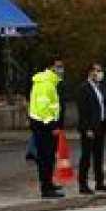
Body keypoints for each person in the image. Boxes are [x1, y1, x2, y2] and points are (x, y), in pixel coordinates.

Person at [29, 58, 66, 198]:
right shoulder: (46, 84)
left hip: (44, 125)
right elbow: (43, 108)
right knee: (45, 159)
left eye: (62, 66)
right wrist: (52, 126)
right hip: (44, 126)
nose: (61, 69)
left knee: (49, 158)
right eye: (58, 66)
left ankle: (48, 183)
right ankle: (46, 188)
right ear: (50, 67)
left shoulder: (50, 82)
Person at [76, 62, 106, 194]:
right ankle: (83, 184)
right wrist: (87, 128)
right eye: (97, 70)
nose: (99, 73)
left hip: (101, 126)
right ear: (90, 72)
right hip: (90, 128)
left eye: (100, 70)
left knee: (99, 156)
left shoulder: (100, 87)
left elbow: (103, 106)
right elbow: (82, 111)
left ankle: (99, 182)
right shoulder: (83, 88)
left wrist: (105, 125)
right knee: (86, 157)